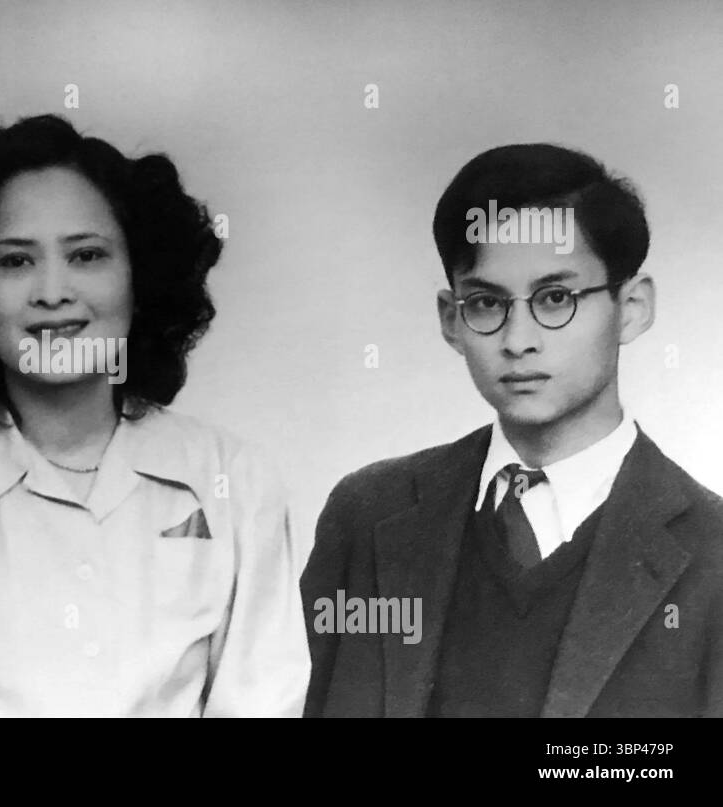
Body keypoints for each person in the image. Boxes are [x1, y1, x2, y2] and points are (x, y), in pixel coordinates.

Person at [0, 114, 308, 717]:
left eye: (86, 255)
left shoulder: (235, 482)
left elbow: (262, 702)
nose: (52, 292)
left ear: (141, 278)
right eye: (15, 261)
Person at [301, 143, 723, 717]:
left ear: (632, 307)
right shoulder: (368, 515)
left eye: (556, 298)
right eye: (486, 303)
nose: (518, 338)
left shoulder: (712, 554)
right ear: (451, 321)